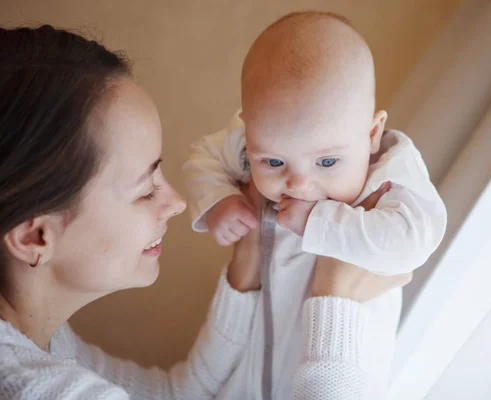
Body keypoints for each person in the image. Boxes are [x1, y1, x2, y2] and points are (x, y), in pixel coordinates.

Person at [0, 25, 410, 399]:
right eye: (146, 190)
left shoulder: (47, 346)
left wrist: (245, 267)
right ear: (35, 237)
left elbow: (181, 395)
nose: (177, 203)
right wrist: (336, 301)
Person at [183, 11, 447, 398]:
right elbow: (203, 156)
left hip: (344, 365)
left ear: (371, 134)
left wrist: (320, 222)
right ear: (248, 127)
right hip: (253, 369)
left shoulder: (392, 172)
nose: (299, 184)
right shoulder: (256, 138)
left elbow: (417, 237)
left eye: (326, 162)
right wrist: (220, 200)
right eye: (273, 162)